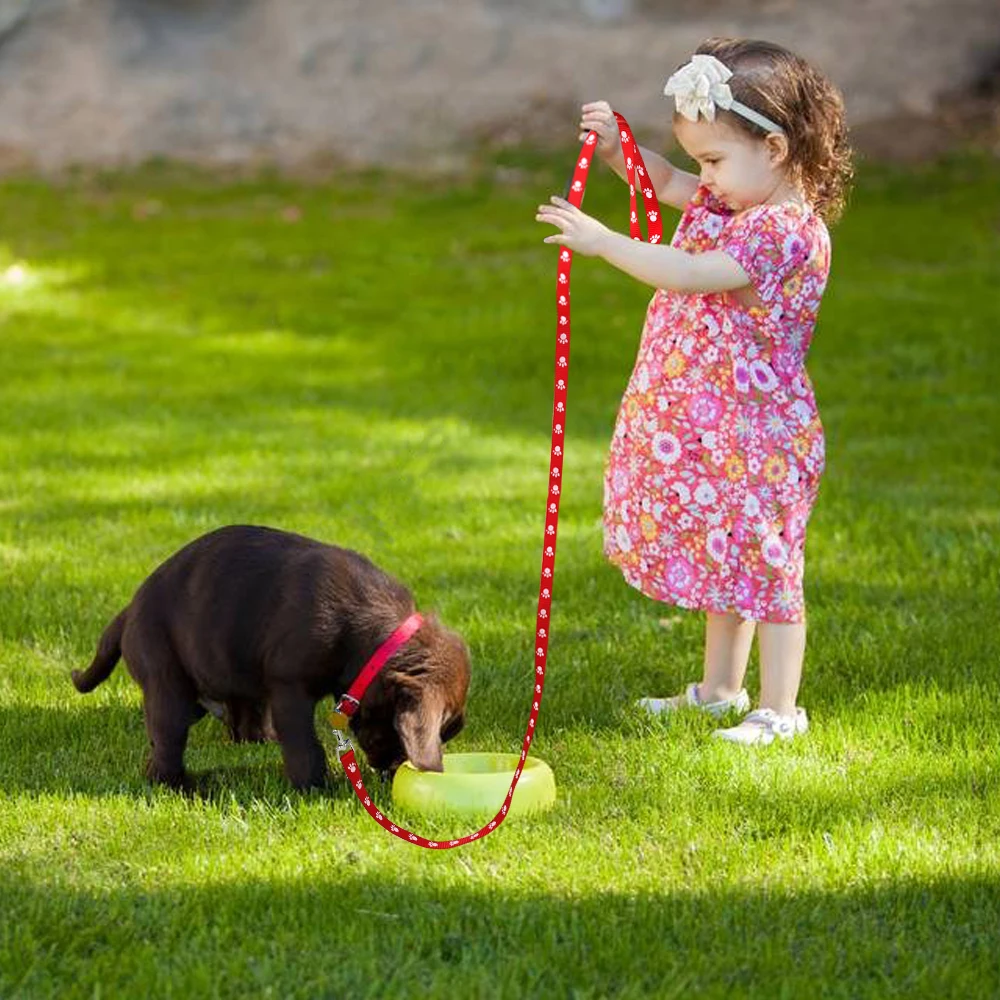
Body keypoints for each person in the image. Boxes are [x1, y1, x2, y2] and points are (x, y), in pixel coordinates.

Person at [536, 38, 853, 745]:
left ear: (774, 148)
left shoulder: (782, 232)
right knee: (732, 558)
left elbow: (685, 272)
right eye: (701, 159)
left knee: (768, 567)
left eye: (715, 160)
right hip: (720, 424)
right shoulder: (736, 197)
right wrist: (622, 152)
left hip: (758, 430)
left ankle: (780, 709)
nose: (703, 177)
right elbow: (665, 181)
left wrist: (601, 241)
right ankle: (719, 691)